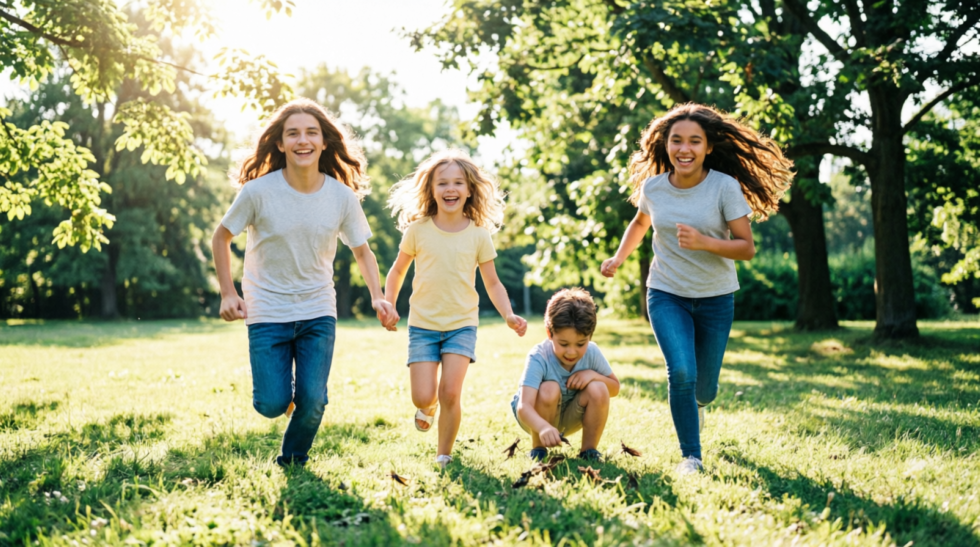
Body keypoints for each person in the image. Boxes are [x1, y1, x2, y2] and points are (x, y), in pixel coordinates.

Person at [600, 103, 792, 474]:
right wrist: (618, 258)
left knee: (704, 388)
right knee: (681, 373)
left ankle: (699, 407)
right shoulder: (654, 188)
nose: (684, 149)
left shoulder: (724, 186)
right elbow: (640, 224)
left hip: (715, 297)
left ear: (708, 148)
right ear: (665, 145)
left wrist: (706, 242)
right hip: (666, 292)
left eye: (693, 141)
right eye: (676, 141)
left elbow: (746, 248)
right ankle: (691, 456)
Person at [212, 98, 396, 467]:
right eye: (292, 133)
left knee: (314, 399)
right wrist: (229, 293)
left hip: (317, 309)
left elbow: (363, 252)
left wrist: (378, 297)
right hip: (266, 309)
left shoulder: (341, 197)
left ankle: (293, 459)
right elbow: (221, 237)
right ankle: (285, 402)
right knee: (270, 404)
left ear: (324, 142)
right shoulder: (258, 192)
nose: (302, 140)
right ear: (279, 143)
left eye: (311, 132)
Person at [383, 149, 528, 468]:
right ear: (431, 190)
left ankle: (443, 454)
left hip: (462, 325)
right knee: (423, 396)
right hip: (423, 325)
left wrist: (508, 314)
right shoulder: (418, 230)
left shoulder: (479, 235)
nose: (450, 189)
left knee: (450, 391)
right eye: (443, 183)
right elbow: (397, 271)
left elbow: (492, 283)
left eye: (458, 183)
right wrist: (388, 303)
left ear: (469, 190)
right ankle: (427, 407)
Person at [511, 288, 620, 462]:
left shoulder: (592, 352)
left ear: (590, 336)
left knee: (599, 387)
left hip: (569, 415)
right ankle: (538, 449)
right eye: (563, 343)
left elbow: (614, 388)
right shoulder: (539, 356)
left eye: (580, 344)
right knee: (549, 387)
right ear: (550, 333)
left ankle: (589, 452)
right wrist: (543, 427)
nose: (571, 352)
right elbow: (524, 407)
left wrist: (592, 375)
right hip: (535, 419)